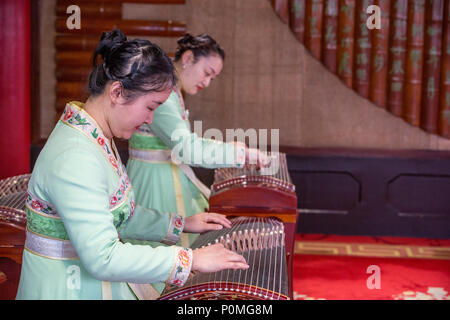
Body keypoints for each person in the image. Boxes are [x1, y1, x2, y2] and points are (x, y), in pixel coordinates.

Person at [16, 29, 248, 300]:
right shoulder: (75, 156)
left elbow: (115, 216)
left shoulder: (96, 134)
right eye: (150, 107)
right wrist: (190, 259)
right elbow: (103, 257)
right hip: (66, 287)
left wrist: (181, 223)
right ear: (117, 92)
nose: (151, 120)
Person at [126, 34, 269, 251]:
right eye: (207, 73)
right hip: (156, 181)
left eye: (213, 77)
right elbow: (187, 148)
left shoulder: (171, 91)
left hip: (164, 174)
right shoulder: (164, 94)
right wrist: (239, 154)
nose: (207, 82)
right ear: (188, 58)